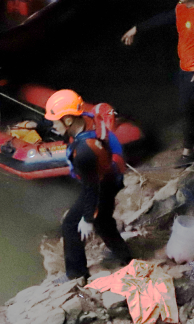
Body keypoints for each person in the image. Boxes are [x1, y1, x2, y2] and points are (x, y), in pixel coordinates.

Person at [121, 0, 194, 167]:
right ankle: (192, 147)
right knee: (187, 108)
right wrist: (136, 28)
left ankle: (189, 152)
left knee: (187, 108)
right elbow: (162, 18)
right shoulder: (180, 9)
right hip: (184, 68)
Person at [45, 89, 132, 282]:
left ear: (68, 120)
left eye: (54, 121)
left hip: (101, 182)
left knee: (71, 224)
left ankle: (76, 275)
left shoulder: (84, 152)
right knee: (104, 222)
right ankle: (126, 257)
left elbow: (91, 188)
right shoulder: (87, 121)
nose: (52, 125)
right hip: (111, 177)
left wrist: (86, 218)